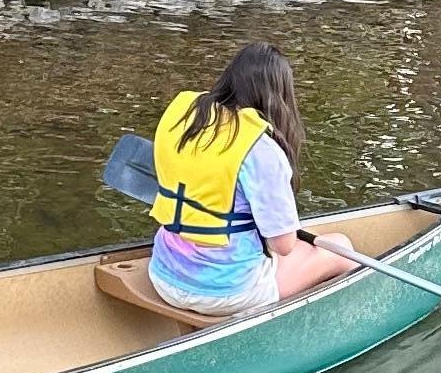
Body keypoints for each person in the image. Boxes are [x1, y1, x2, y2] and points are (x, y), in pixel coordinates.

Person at [145, 45, 353, 313]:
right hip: (229, 293)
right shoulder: (261, 150)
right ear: (279, 98)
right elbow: (284, 245)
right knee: (340, 248)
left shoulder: (186, 117)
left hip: (163, 275)